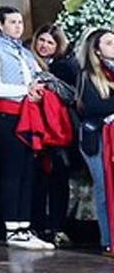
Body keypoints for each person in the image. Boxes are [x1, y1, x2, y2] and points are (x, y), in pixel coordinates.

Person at [0, 5, 51, 250]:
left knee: (27, 171)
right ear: (0, 25)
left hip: (28, 114)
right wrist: (26, 90)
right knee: (12, 172)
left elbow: (38, 76)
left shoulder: (24, 52)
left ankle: (24, 225)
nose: (18, 26)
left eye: (20, 22)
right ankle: (12, 227)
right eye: (12, 22)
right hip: (8, 117)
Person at [30, 22, 76, 246]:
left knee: (58, 180)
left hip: (58, 132)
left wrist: (49, 83)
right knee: (36, 180)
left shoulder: (64, 66)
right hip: (34, 129)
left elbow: (71, 96)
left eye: (50, 42)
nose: (45, 45)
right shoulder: (27, 62)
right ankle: (38, 226)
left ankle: (57, 226)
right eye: (42, 40)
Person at [74, 26, 114, 257]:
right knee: (104, 186)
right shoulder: (87, 75)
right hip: (96, 137)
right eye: (108, 43)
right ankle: (107, 239)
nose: (113, 45)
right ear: (96, 51)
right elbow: (92, 105)